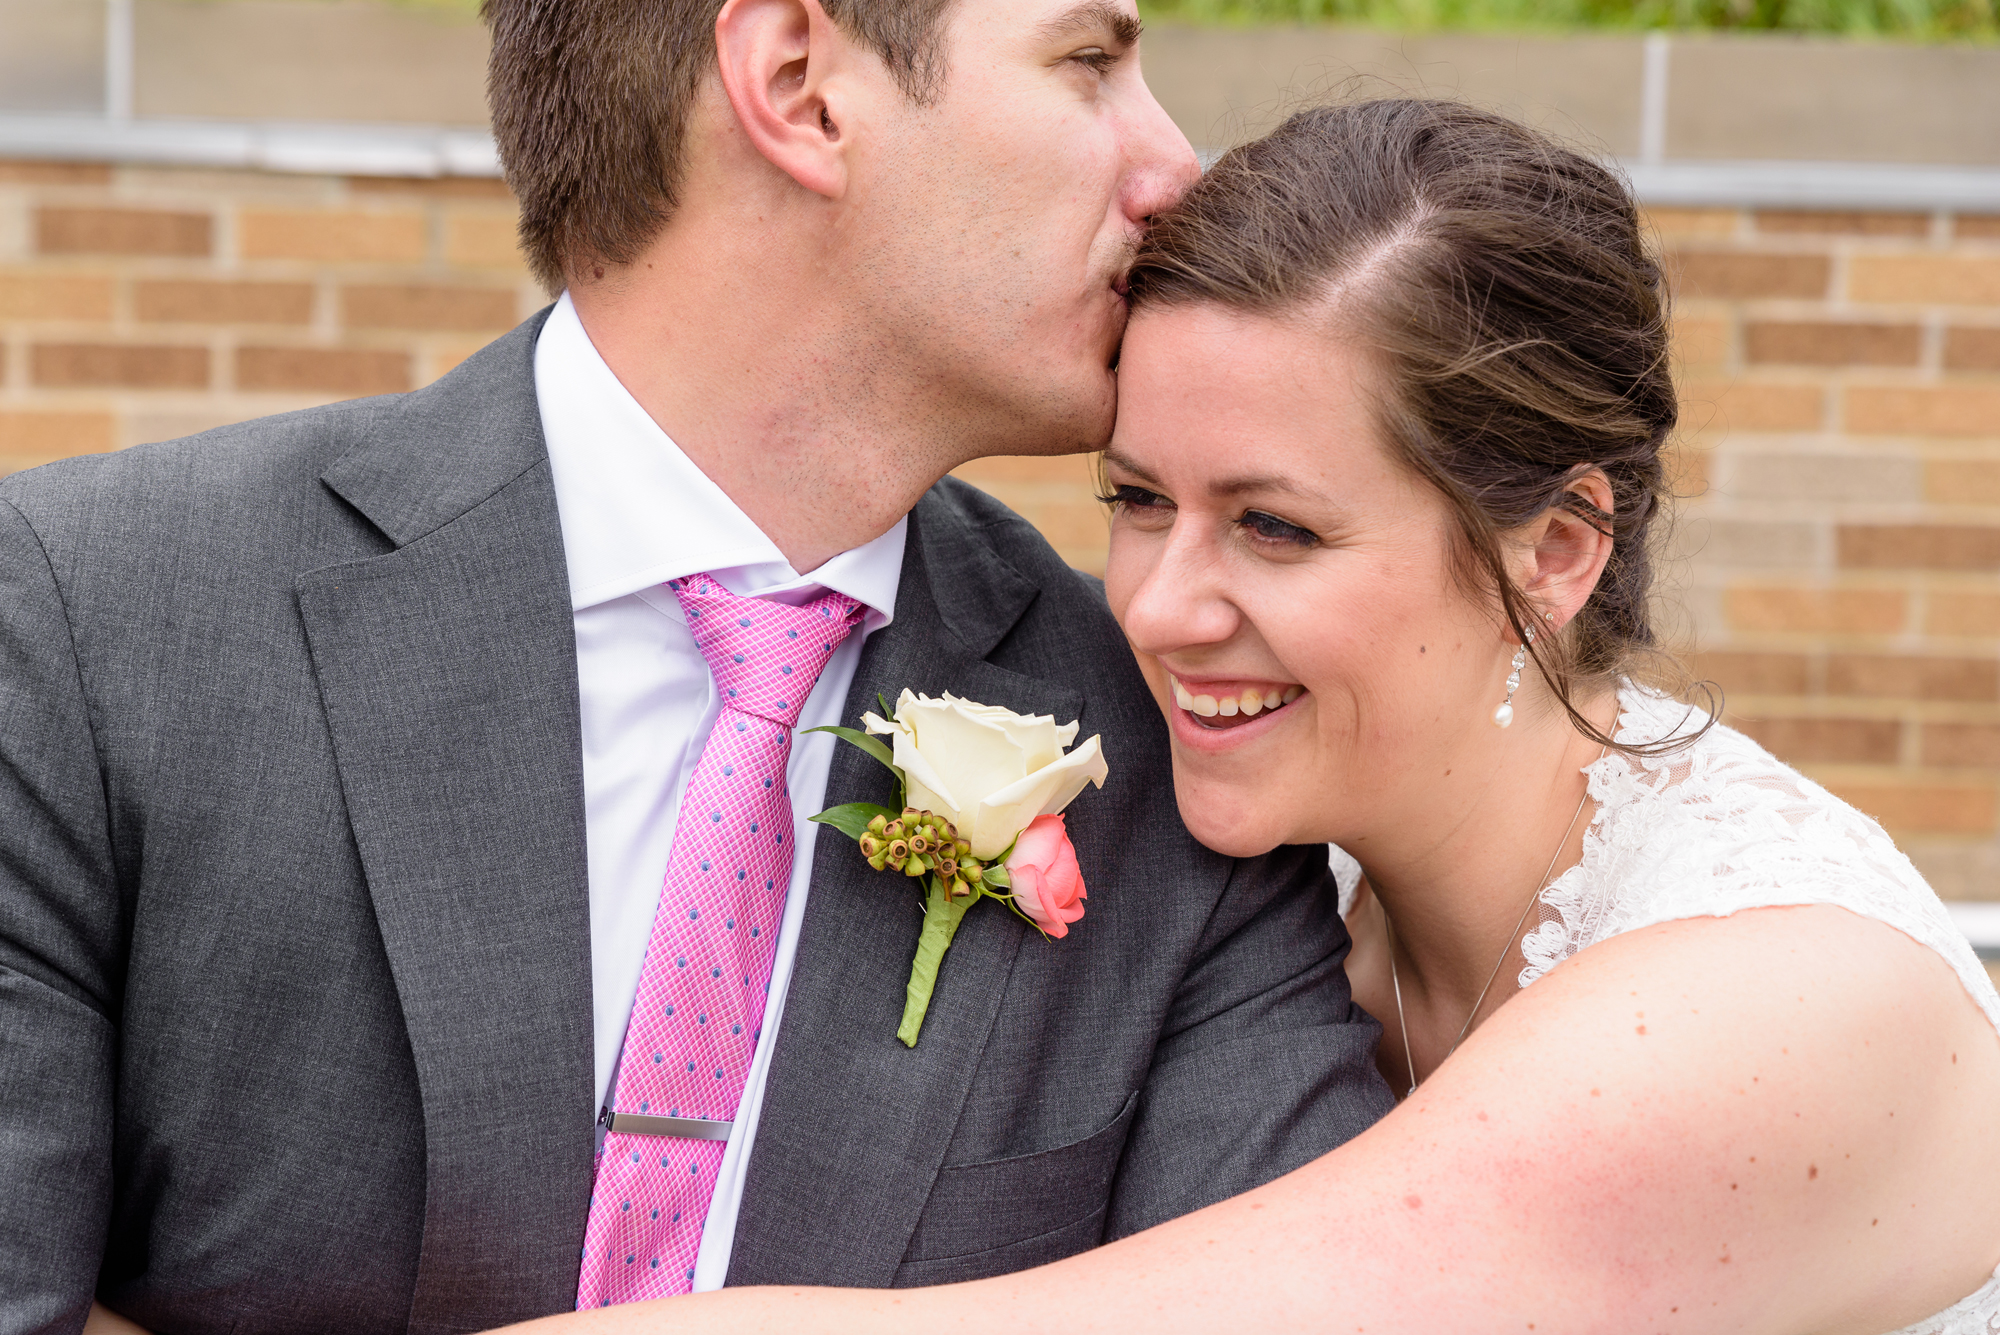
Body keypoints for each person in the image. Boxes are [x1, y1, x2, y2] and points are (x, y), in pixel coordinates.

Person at [0, 3, 1401, 1331]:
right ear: (798, 83)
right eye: (1089, 60)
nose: (1173, 168)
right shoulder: (87, 626)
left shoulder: (1171, 739)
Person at [498, 100, 2000, 1335]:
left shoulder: (1783, 1001)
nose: (1156, 607)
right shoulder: (1273, 891)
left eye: (1275, 527)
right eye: (1140, 502)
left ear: (1555, 551)